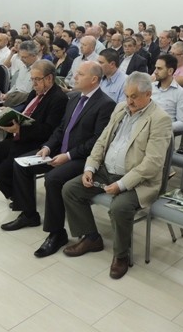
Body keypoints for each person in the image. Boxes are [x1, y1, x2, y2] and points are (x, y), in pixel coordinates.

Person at [61, 72, 172, 279]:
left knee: (119, 207)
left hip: (138, 180)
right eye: (127, 95)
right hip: (106, 171)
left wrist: (122, 184)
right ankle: (91, 238)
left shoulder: (159, 119)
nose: (129, 101)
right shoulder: (120, 108)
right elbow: (102, 141)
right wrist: (90, 168)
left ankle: (121, 255)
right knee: (71, 189)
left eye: (134, 97)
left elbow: (153, 163)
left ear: (148, 94)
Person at [5, 62, 115, 257]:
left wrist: (68, 156)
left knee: (53, 179)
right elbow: (61, 128)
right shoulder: (74, 98)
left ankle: (56, 233)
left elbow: (97, 142)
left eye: (80, 74)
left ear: (93, 79)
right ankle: (29, 214)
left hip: (82, 158)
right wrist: (47, 147)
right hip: (60, 151)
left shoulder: (105, 104)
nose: (75, 77)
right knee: (21, 163)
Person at [0, 60, 68, 203]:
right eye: (32, 79)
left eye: (37, 79)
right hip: (20, 137)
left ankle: (22, 200)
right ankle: (15, 194)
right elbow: (26, 115)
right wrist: (8, 114)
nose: (33, 83)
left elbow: (49, 130)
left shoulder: (58, 98)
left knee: (3, 170)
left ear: (49, 78)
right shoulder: (34, 93)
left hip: (36, 143)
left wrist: (20, 129)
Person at [151, 54, 183, 133]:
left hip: (163, 132)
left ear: (170, 71)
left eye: (159, 68)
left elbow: (182, 123)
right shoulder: (150, 87)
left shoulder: (180, 93)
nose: (155, 72)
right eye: (156, 68)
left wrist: (163, 127)